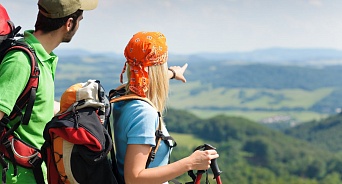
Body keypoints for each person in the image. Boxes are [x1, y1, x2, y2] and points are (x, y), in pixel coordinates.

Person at [0, 0, 98, 183]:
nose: (80, 23)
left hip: (32, 172)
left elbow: (35, 108)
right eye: (80, 20)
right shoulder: (21, 61)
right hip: (14, 176)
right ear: (69, 23)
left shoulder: (41, 58)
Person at [113, 31, 219, 184]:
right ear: (158, 69)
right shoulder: (144, 113)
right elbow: (134, 178)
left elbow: (145, 78)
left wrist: (173, 73)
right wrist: (191, 163)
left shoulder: (122, 95)